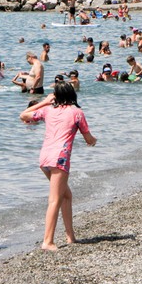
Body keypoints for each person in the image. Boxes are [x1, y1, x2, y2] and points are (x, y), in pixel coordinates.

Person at [19, 83, 97, 251]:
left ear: (56, 96)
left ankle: (70, 236)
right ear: (72, 95)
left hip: (45, 158)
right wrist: (94, 141)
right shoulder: (77, 113)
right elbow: (89, 139)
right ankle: (48, 241)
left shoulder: (48, 111)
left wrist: (45, 102)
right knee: (55, 200)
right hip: (60, 159)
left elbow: (23, 115)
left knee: (66, 196)